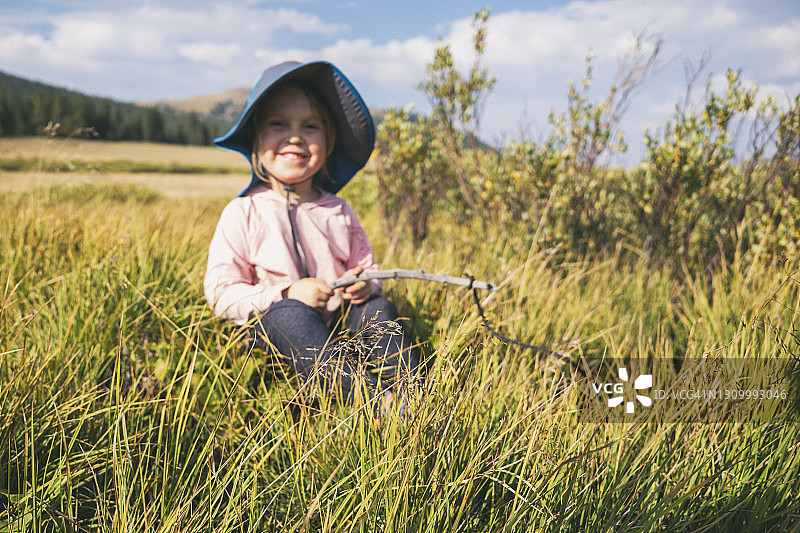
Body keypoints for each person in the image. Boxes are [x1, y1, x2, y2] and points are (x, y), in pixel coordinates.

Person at [204, 60, 420, 408]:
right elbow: (221, 293)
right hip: (276, 336)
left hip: (338, 326)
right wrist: (287, 292)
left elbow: (367, 268)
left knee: (376, 307)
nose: (295, 137)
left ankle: (412, 393)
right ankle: (370, 402)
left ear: (328, 143)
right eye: (278, 124)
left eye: (310, 126)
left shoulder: (339, 211)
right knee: (290, 314)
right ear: (257, 141)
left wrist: (365, 284)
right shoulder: (244, 211)